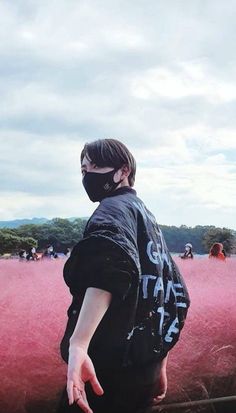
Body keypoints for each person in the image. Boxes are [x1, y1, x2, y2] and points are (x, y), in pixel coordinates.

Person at [58, 139, 190, 413]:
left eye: (95, 166)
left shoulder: (112, 211)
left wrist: (79, 344)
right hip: (143, 370)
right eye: (83, 170)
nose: (88, 175)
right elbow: (172, 295)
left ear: (123, 170)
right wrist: (159, 360)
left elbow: (110, 270)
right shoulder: (147, 217)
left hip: (106, 370)